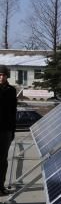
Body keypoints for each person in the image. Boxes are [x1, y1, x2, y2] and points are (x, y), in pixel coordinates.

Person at [0, 65, 17, 195]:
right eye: (0, 75)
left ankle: (1, 186)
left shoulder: (11, 91)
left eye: (4, 75)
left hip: (6, 130)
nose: (1, 77)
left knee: (3, 160)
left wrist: (12, 131)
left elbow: (13, 111)